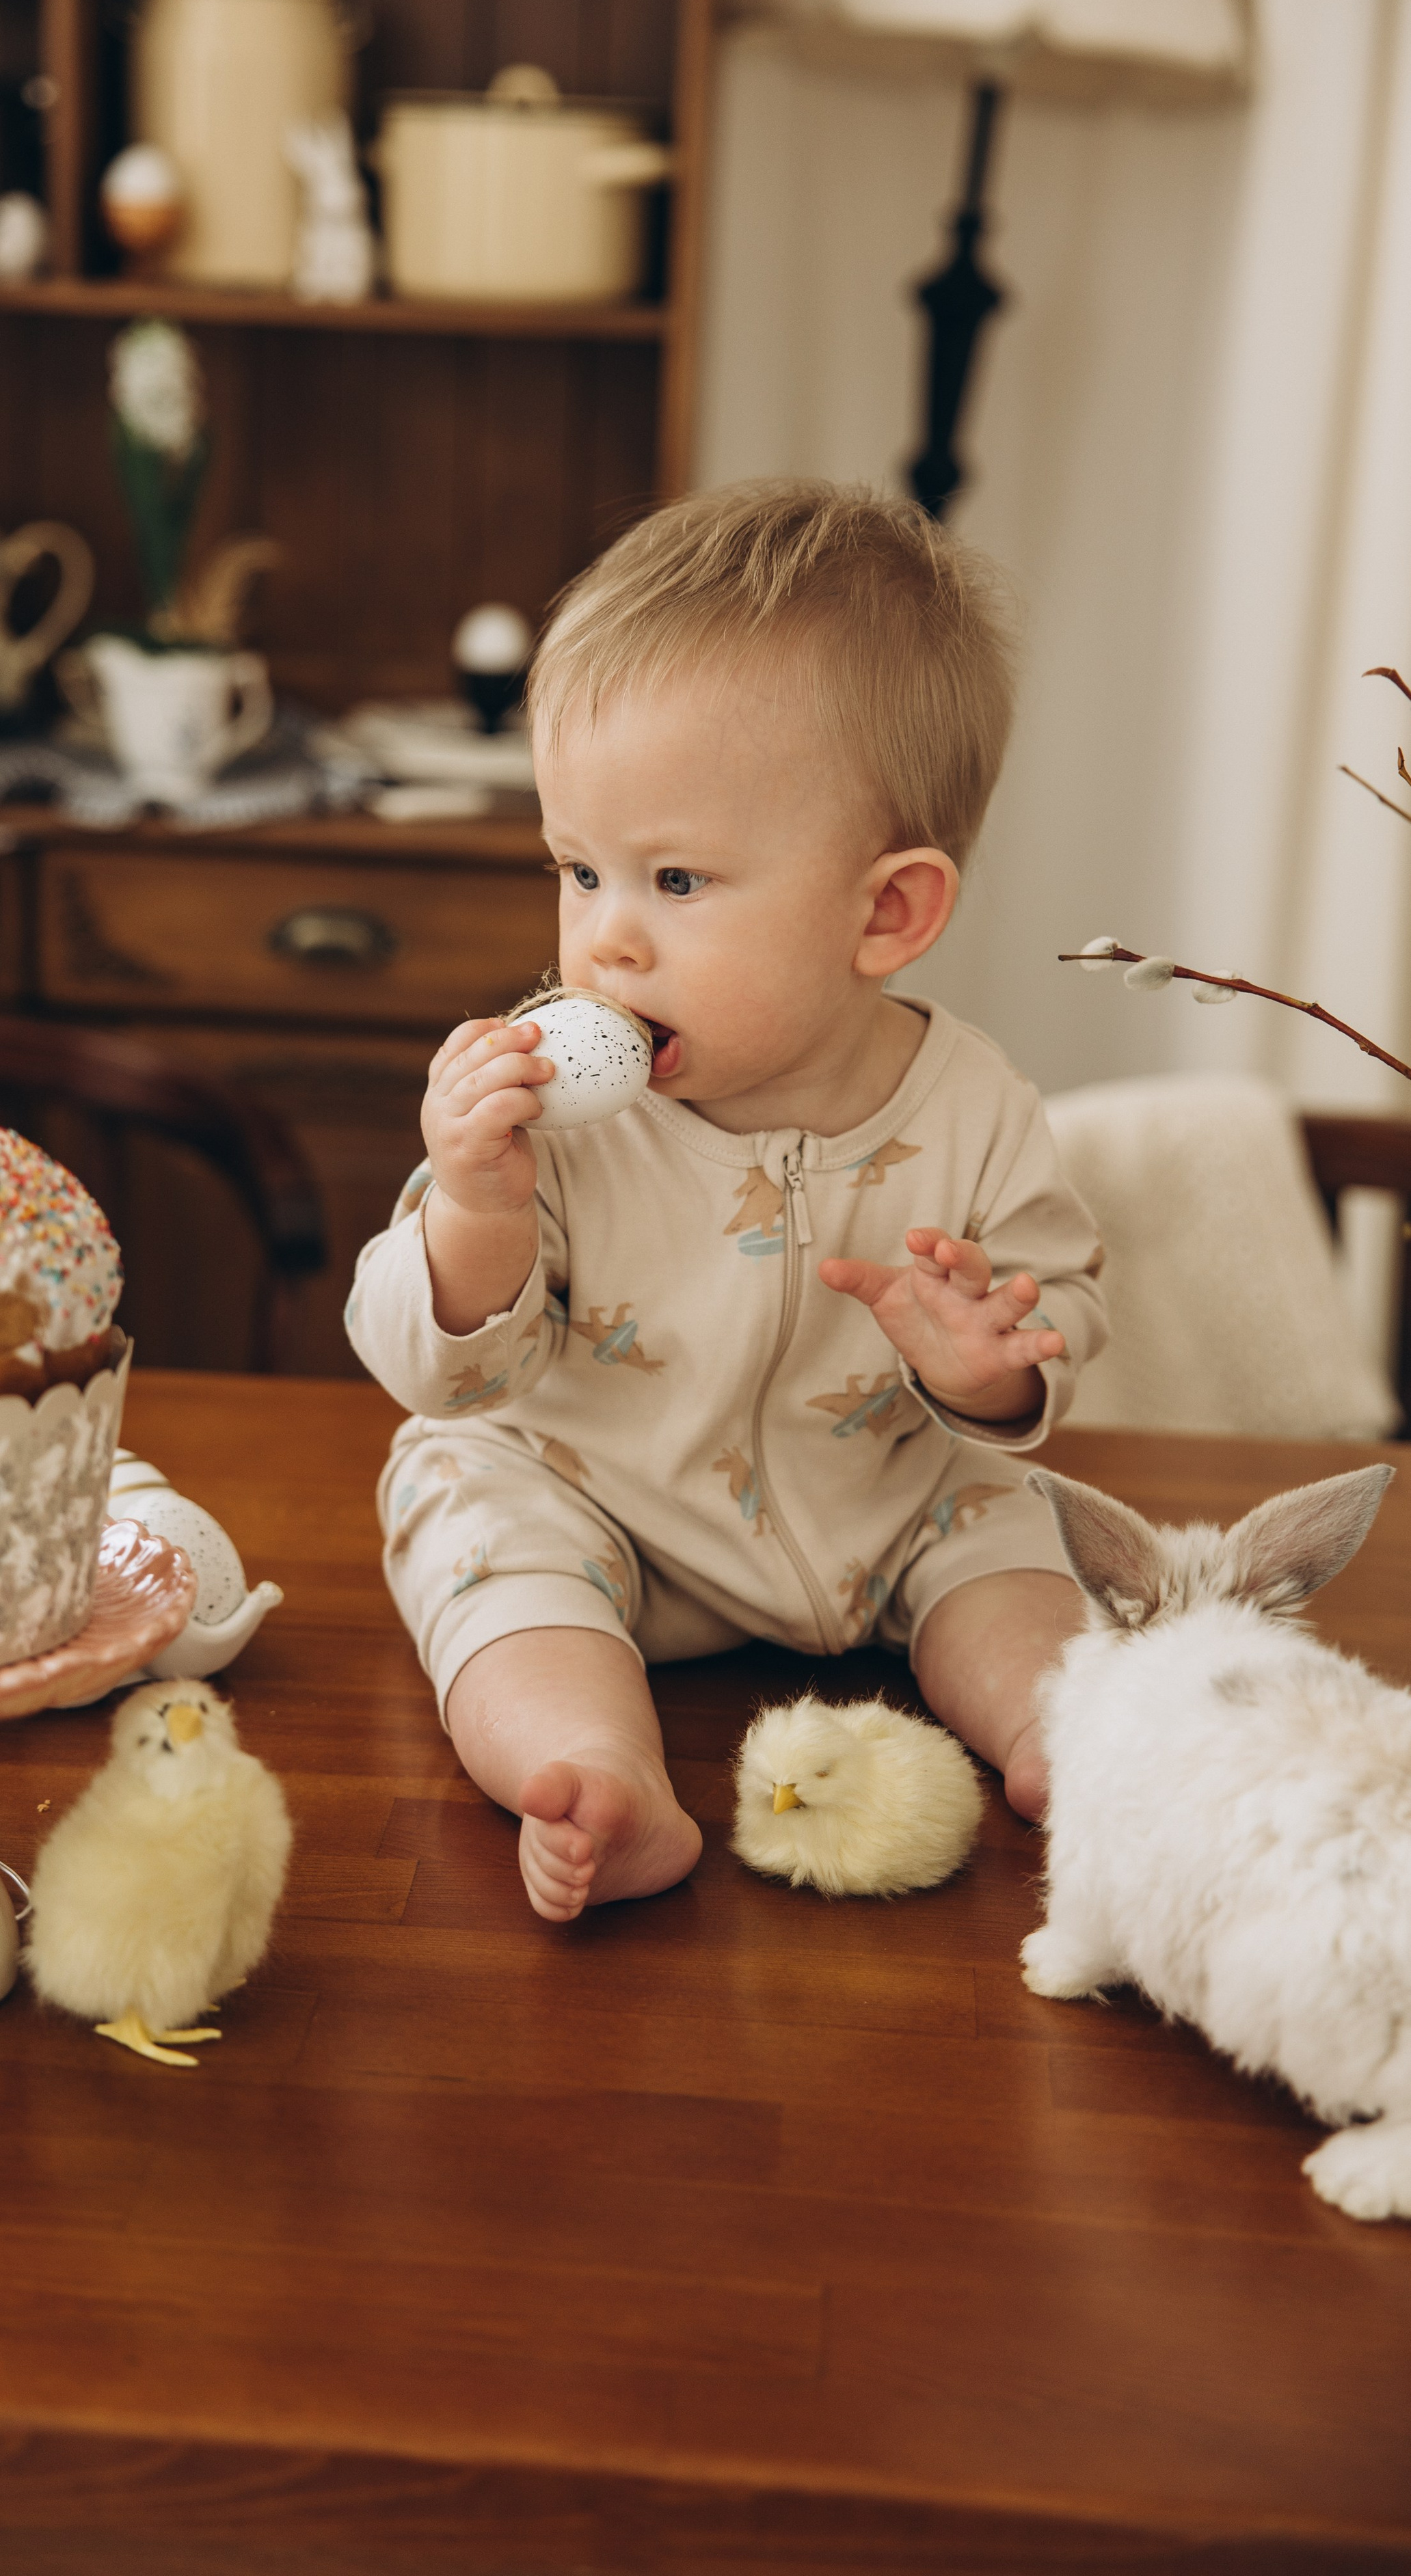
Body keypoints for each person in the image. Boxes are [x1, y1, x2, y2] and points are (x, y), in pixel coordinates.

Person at [347, 480, 1106, 1921]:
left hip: (881, 1501)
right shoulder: (545, 1120)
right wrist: (473, 1207)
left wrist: (990, 1372)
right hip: (596, 1503)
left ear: (883, 913)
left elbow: (1054, 1313)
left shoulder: (977, 1107)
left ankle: (1066, 1748)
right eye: (577, 870)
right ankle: (594, 1770)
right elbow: (438, 1372)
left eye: (674, 878)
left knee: (1018, 1530)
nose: (604, 940)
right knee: (459, 1497)